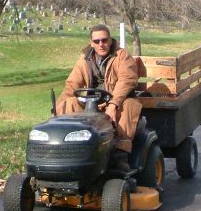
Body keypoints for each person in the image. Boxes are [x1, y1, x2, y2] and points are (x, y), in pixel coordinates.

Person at [56, 24, 141, 171]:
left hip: (117, 101)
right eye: (97, 41)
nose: (101, 44)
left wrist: (113, 104)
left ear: (110, 40)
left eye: (104, 40)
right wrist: (57, 109)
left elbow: (127, 80)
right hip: (92, 103)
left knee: (130, 105)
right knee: (68, 103)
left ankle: (121, 155)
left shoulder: (122, 56)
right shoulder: (85, 59)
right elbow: (72, 84)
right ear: (91, 43)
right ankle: (67, 149)